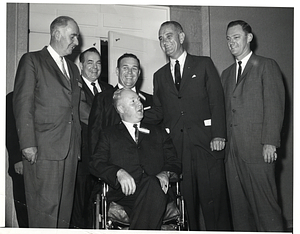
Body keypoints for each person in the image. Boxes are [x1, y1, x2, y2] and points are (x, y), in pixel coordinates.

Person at [143, 21, 231, 231]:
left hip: (207, 145)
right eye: (161, 38)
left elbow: (217, 102)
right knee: (188, 204)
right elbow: (159, 111)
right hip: (179, 149)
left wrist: (218, 135)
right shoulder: (160, 76)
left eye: (169, 36)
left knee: (214, 203)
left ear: (181, 37)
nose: (165, 42)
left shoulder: (203, 64)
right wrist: (133, 112)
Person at [13, 16, 82, 228]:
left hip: (69, 151)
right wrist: (27, 144)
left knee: (64, 214)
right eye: (73, 36)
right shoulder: (32, 60)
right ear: (57, 34)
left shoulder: (72, 68)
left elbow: (77, 109)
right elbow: (23, 104)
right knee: (45, 214)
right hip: (42, 149)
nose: (76, 43)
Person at [220, 20, 285, 232]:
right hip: (232, 155)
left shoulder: (267, 65)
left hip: (258, 150)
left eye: (236, 37)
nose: (231, 42)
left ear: (249, 38)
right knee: (239, 213)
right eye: (228, 39)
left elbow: (274, 106)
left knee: (266, 210)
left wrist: (270, 143)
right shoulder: (227, 74)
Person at [89, 88, 181, 230]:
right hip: (126, 195)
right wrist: (118, 173)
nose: (140, 105)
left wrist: (166, 173)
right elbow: (96, 163)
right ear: (121, 108)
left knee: (152, 183)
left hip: (158, 193)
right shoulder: (109, 134)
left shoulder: (158, 131)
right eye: (133, 102)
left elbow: (174, 161)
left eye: (139, 100)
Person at [70, 47, 113, 229]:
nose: (95, 67)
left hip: (106, 158)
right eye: (89, 62)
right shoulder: (73, 87)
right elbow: (86, 115)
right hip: (84, 158)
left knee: (102, 208)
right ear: (81, 65)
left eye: (98, 63)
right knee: (80, 207)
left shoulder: (109, 89)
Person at [88, 53, 152, 155]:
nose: (130, 73)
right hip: (113, 161)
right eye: (125, 68)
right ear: (117, 71)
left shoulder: (149, 100)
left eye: (134, 68)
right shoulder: (103, 98)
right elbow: (94, 135)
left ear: (139, 73)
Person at [6, 92, 28, 228]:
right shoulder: (11, 98)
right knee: (23, 208)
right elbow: (9, 130)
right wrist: (17, 159)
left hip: (40, 165)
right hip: (20, 164)